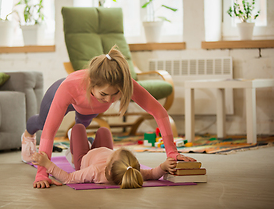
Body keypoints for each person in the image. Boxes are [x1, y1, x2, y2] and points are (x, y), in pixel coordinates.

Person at [22, 45, 196, 189]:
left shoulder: (124, 84)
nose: (109, 100)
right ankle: (28, 134)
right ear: (91, 83)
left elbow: (159, 111)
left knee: (81, 125)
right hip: (60, 94)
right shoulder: (70, 87)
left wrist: (172, 153)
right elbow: (50, 132)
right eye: (104, 94)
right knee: (43, 124)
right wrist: (41, 173)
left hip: (87, 106)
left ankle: (81, 150)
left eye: (115, 95)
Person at [32, 124, 178, 189]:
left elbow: (68, 179)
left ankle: (73, 151)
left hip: (84, 157)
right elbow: (152, 174)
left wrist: (47, 164)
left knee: (78, 128)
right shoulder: (132, 170)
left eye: (112, 155)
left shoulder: (95, 171)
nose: (111, 153)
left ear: (108, 171)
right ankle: (90, 142)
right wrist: (163, 167)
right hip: (100, 150)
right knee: (103, 130)